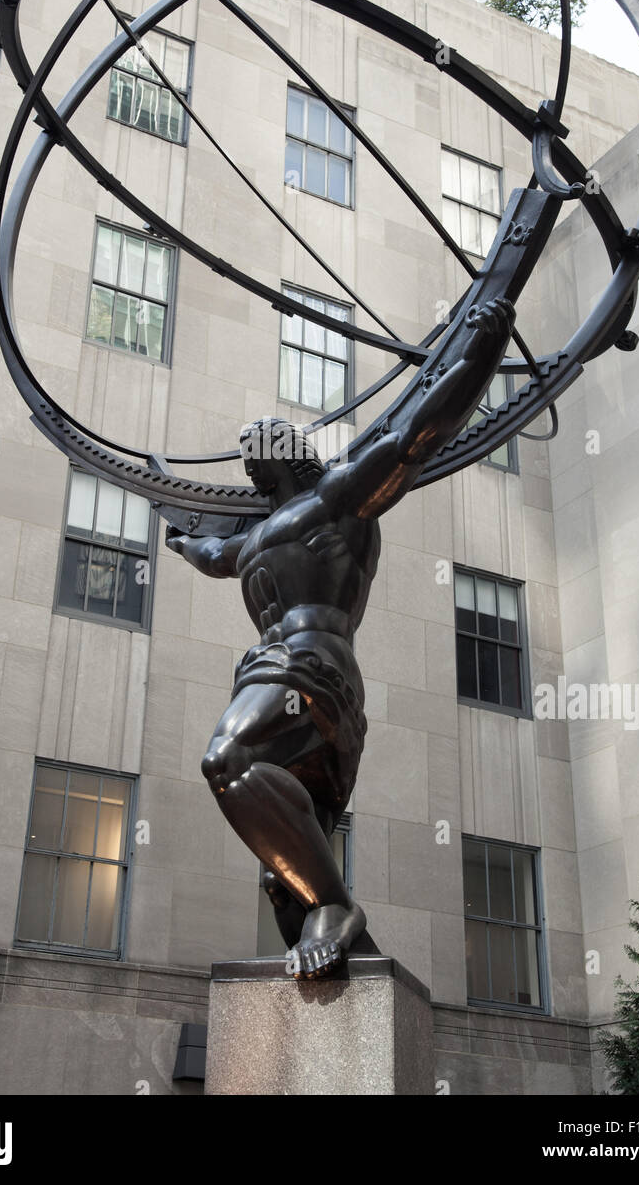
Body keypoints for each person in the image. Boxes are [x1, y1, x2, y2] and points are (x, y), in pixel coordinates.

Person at [166, 297, 515, 977]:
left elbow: (414, 437)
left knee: (227, 759)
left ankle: (335, 907)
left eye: (261, 446)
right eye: (248, 456)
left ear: (291, 450)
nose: (251, 458)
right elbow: (209, 554)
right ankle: (325, 931)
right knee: (281, 871)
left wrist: (481, 356)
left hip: (310, 667)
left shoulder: (339, 498)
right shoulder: (254, 537)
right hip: (274, 671)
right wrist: (173, 530)